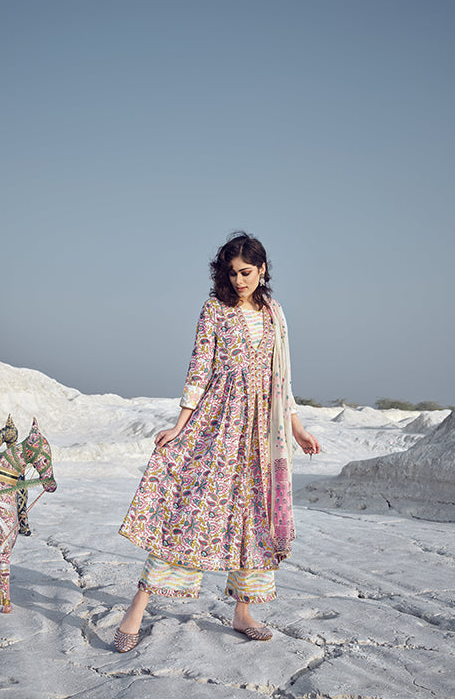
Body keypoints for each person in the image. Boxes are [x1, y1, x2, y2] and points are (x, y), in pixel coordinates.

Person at [116, 232, 320, 652]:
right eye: (232, 273)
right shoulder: (215, 310)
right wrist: (180, 424)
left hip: (261, 432)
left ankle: (244, 611)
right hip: (217, 422)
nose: (239, 280)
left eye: (246, 272)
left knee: (254, 518)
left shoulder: (274, 313)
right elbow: (199, 369)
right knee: (190, 512)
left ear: (262, 269)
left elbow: (281, 378)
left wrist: (297, 428)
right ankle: (136, 608)